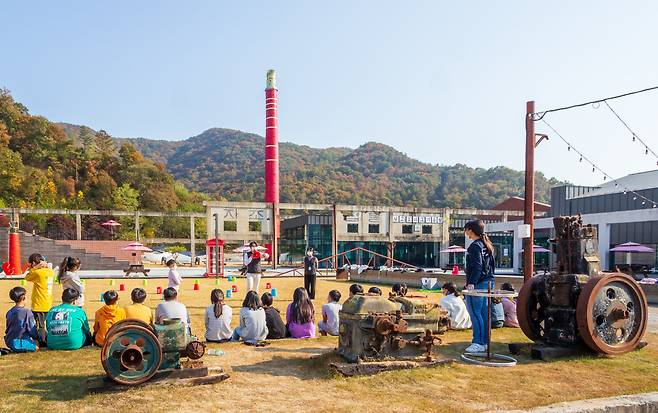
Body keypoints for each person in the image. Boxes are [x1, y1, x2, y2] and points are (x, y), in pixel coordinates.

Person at [463, 220, 495, 353]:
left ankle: (478, 342)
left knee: (475, 313)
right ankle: (485, 342)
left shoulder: (475, 246)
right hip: (488, 282)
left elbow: (477, 267)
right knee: (483, 313)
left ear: (470, 230)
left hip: (478, 283)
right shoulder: (486, 244)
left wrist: (471, 283)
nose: (465, 232)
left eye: (466, 230)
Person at [25, 253, 55, 346]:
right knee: (46, 324)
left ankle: (42, 343)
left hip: (39, 304)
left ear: (34, 263)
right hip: (48, 302)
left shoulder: (38, 273)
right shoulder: (49, 271)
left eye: (30, 264)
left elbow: (27, 277)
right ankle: (46, 339)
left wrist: (35, 268)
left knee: (40, 326)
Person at [4, 286, 39, 352]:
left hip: (9, 341)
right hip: (19, 342)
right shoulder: (27, 312)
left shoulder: (9, 312)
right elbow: (32, 330)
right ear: (23, 298)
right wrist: (37, 338)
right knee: (36, 345)